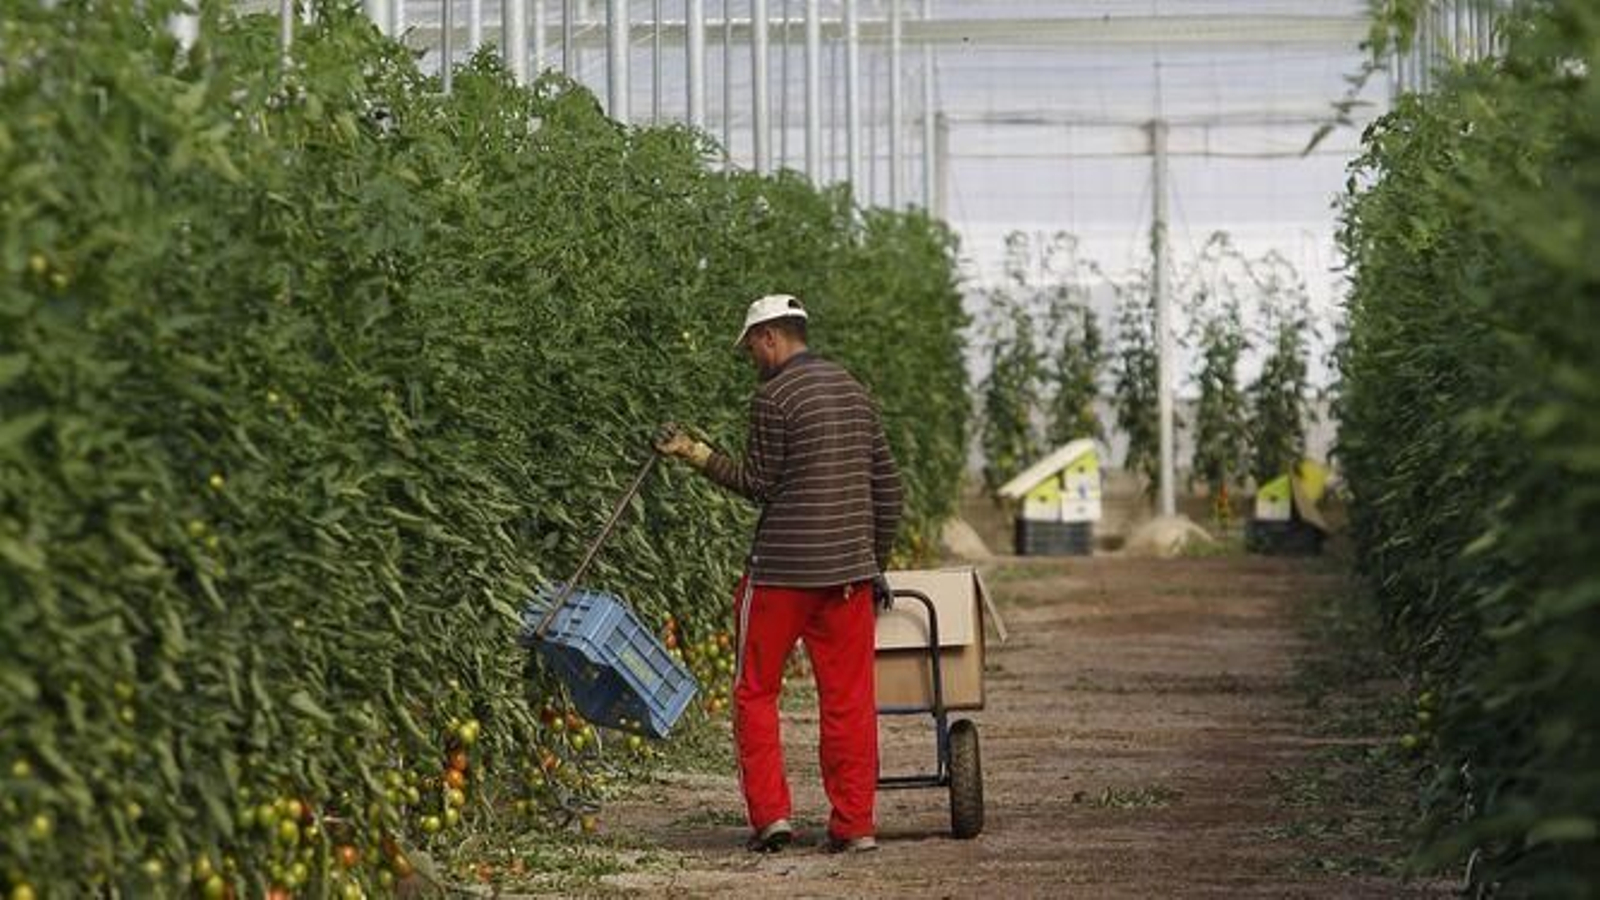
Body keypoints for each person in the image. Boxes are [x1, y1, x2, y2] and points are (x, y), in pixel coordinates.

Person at [654, 293, 903, 855]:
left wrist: (695, 452)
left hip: (780, 577)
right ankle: (854, 824)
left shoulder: (775, 397)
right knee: (848, 700)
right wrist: (873, 563)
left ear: (770, 338)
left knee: (754, 691)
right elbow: (889, 490)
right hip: (846, 577)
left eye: (751, 349)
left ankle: (772, 818)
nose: (752, 360)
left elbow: (759, 484)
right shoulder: (856, 393)